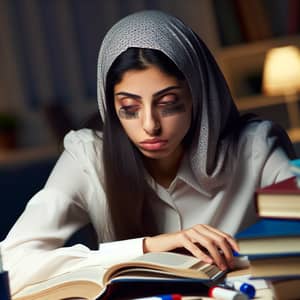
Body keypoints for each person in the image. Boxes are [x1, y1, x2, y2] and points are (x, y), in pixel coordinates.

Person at [1, 10, 295, 295]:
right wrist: (147, 248)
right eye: (129, 109)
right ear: (111, 107)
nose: (150, 125)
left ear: (198, 95)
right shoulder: (89, 155)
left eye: (168, 103)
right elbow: (12, 262)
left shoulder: (254, 146)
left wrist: (239, 255)